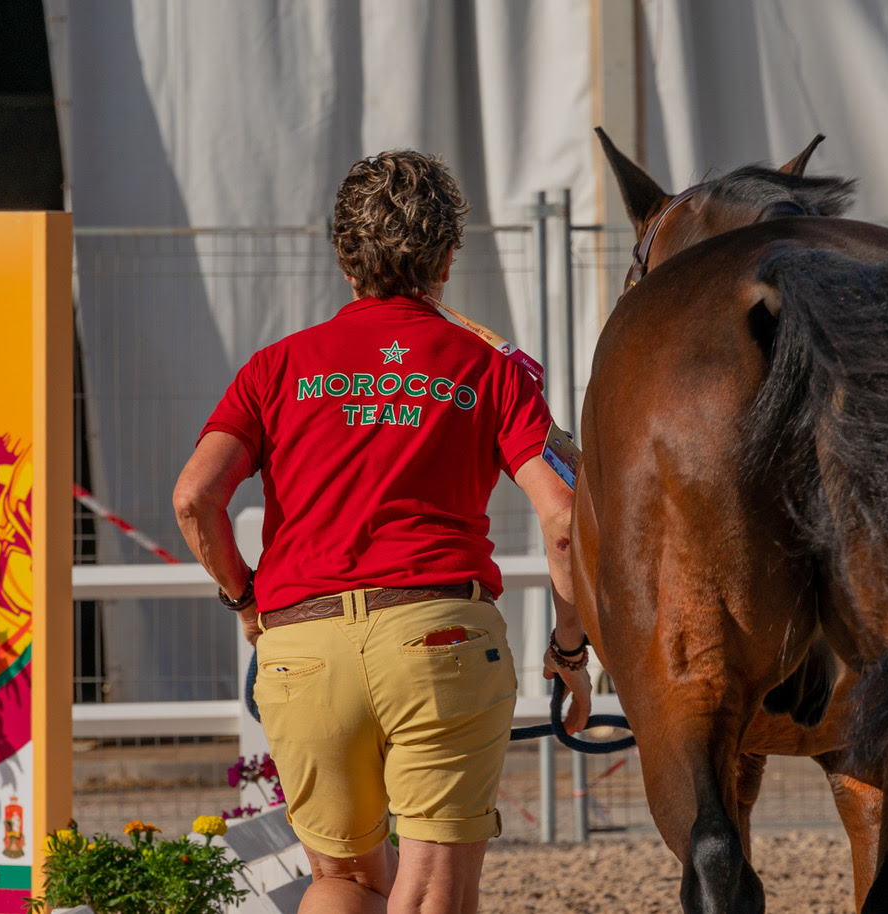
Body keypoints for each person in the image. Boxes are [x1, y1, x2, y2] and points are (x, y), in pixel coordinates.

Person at [173, 149, 591, 914]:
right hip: (439, 641)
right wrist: (569, 649)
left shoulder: (276, 368)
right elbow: (562, 519)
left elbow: (196, 497)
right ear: (449, 256)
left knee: (345, 884)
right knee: (430, 890)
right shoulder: (491, 369)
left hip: (303, 646)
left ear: (343, 256)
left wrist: (248, 604)